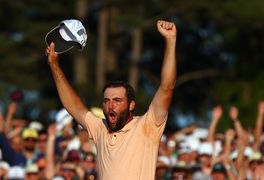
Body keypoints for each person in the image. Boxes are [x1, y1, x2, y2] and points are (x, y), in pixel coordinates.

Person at [45, 20, 177, 180]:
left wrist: (170, 41)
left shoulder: (147, 126)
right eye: (106, 101)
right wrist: (54, 65)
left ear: (131, 105)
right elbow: (74, 107)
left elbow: (167, 87)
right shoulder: (100, 128)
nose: (110, 105)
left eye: (117, 100)